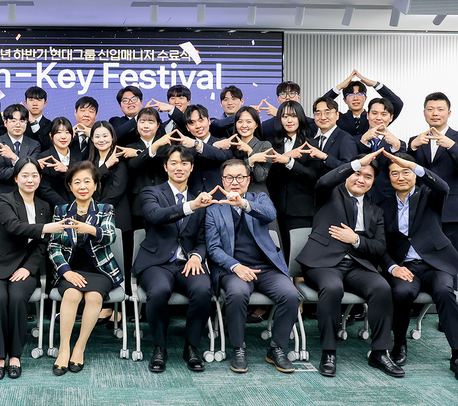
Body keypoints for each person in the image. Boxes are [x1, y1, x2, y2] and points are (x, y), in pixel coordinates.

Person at [296, 149, 403, 378]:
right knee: (332, 287)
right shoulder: (329, 193)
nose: (361, 179)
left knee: (382, 288)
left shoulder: (376, 211)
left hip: (356, 265)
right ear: (349, 174)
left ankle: (380, 352)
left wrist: (355, 239)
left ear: (373, 183)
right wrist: (357, 163)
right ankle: (329, 352)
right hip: (323, 264)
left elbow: (379, 247)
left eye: (368, 177)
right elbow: (325, 180)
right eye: (357, 174)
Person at [378, 151, 458, 383]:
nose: (401, 177)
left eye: (406, 172)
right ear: (389, 177)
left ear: (414, 173)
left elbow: (443, 186)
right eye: (394, 173)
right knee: (401, 293)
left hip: (435, 264)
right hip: (405, 266)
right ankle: (400, 344)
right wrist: (393, 267)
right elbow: (379, 245)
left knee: (445, 292)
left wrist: (414, 166)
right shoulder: (382, 206)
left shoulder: (429, 195)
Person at [205, 159, 299, 374]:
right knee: (237, 294)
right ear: (222, 181)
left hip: (266, 268)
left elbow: (270, 214)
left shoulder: (259, 199)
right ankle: (238, 348)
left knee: (291, 295)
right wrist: (235, 266)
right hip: (233, 270)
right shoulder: (214, 208)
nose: (234, 182)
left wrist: (243, 204)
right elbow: (213, 248)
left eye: (240, 177)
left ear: (248, 180)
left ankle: (277, 348)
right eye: (229, 177)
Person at [134, 145, 216, 373]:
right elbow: (156, 215)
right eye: (174, 163)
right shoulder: (151, 192)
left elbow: (203, 238)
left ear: (191, 168)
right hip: (156, 263)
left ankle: (192, 347)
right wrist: (191, 206)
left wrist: (197, 256)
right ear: (165, 167)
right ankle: (160, 347)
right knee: (159, 291)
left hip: (186, 263)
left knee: (202, 290)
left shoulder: (200, 199)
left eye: (184, 163)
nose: (179, 167)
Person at [0, 158, 60, 380]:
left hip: (25, 267)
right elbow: (15, 227)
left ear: (40, 178)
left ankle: (14, 356)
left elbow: (42, 244)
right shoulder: (5, 200)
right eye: (24, 175)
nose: (30, 180)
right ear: (15, 178)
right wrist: (46, 227)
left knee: (16, 298)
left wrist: (28, 268)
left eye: (34, 175)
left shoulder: (44, 206)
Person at [49, 161, 123, 375]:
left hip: (100, 271)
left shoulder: (105, 209)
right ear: (70, 186)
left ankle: (79, 347)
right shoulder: (61, 211)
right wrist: (66, 271)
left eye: (87, 181)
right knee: (71, 295)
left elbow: (110, 236)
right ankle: (64, 348)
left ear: (95, 185)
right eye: (77, 182)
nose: (82, 186)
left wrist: (89, 229)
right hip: (70, 269)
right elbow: (53, 246)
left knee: (94, 297)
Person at [407, 92, 458, 260]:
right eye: (430, 109)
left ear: (449, 113)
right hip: (421, 206)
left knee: (449, 258)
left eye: (440, 109)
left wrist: (452, 147)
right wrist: (412, 148)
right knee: (421, 255)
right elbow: (405, 172)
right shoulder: (415, 140)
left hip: (450, 207)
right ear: (424, 112)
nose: (435, 113)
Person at [265, 101, 320, 261]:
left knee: (299, 257)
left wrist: (289, 162)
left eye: (293, 116)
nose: (289, 120)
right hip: (275, 208)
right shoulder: (270, 144)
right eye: (285, 116)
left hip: (301, 209)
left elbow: (313, 175)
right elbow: (267, 175)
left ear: (300, 118)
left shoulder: (311, 144)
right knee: (278, 254)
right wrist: (284, 158)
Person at [0, 104, 42, 221]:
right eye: (13, 121)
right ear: (5, 123)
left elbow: (32, 171)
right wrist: (23, 166)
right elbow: (1, 174)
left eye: (22, 121)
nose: (18, 124)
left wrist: (14, 158)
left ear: (27, 123)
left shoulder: (34, 145)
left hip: (26, 201)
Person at [324, 69, 404, 137]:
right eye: (351, 95)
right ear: (345, 99)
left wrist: (375, 84)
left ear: (365, 98)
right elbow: (321, 105)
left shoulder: (374, 118)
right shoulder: (338, 118)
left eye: (359, 94)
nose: (356, 98)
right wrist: (340, 87)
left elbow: (397, 103)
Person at [357, 97, 406, 204]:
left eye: (384, 114)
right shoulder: (355, 140)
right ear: (367, 115)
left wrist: (395, 147)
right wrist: (364, 141)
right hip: (358, 195)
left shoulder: (399, 144)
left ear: (391, 117)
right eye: (374, 113)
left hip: (386, 198)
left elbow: (401, 170)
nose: (378, 118)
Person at [180, 104, 231, 194]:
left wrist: (199, 145)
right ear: (187, 128)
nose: (198, 126)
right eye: (192, 123)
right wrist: (211, 146)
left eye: (201, 120)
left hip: (220, 196)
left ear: (209, 121)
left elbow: (223, 157)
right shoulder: (184, 146)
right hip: (193, 197)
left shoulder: (223, 141)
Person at [227, 106, 273, 197]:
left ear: (256, 125)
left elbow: (260, 176)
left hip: (257, 197)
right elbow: (231, 173)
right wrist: (251, 160)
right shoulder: (231, 146)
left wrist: (250, 151)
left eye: (249, 122)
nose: (244, 125)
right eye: (240, 121)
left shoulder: (264, 146)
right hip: (234, 196)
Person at [309, 96, 358, 177]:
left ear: (337, 115)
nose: (323, 117)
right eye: (318, 113)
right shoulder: (315, 141)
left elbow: (349, 169)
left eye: (327, 112)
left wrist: (326, 157)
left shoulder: (345, 138)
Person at [37, 117, 76, 208]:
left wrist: (67, 170)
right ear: (51, 136)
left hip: (79, 207)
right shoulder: (44, 158)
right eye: (59, 132)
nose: (63, 136)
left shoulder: (78, 155)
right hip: (54, 208)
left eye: (67, 132)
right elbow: (45, 190)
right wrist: (66, 207)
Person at [24, 86, 52, 151]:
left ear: (45, 103)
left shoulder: (50, 125)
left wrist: (34, 123)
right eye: (31, 100)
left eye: (39, 100)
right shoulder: (20, 123)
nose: (35, 104)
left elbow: (48, 146)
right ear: (26, 103)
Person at [72, 96, 99, 161]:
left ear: (96, 115)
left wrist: (93, 135)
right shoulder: (67, 136)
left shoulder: (101, 138)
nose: (86, 115)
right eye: (83, 110)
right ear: (75, 112)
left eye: (91, 111)